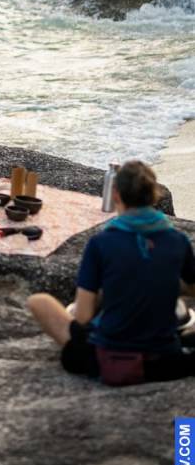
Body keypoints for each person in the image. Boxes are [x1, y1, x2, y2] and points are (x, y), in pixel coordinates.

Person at [28, 159, 195, 384]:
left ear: (116, 194)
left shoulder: (101, 243)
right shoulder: (178, 240)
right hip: (166, 361)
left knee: (39, 301)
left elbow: (84, 316)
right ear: (155, 195)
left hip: (111, 361)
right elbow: (192, 289)